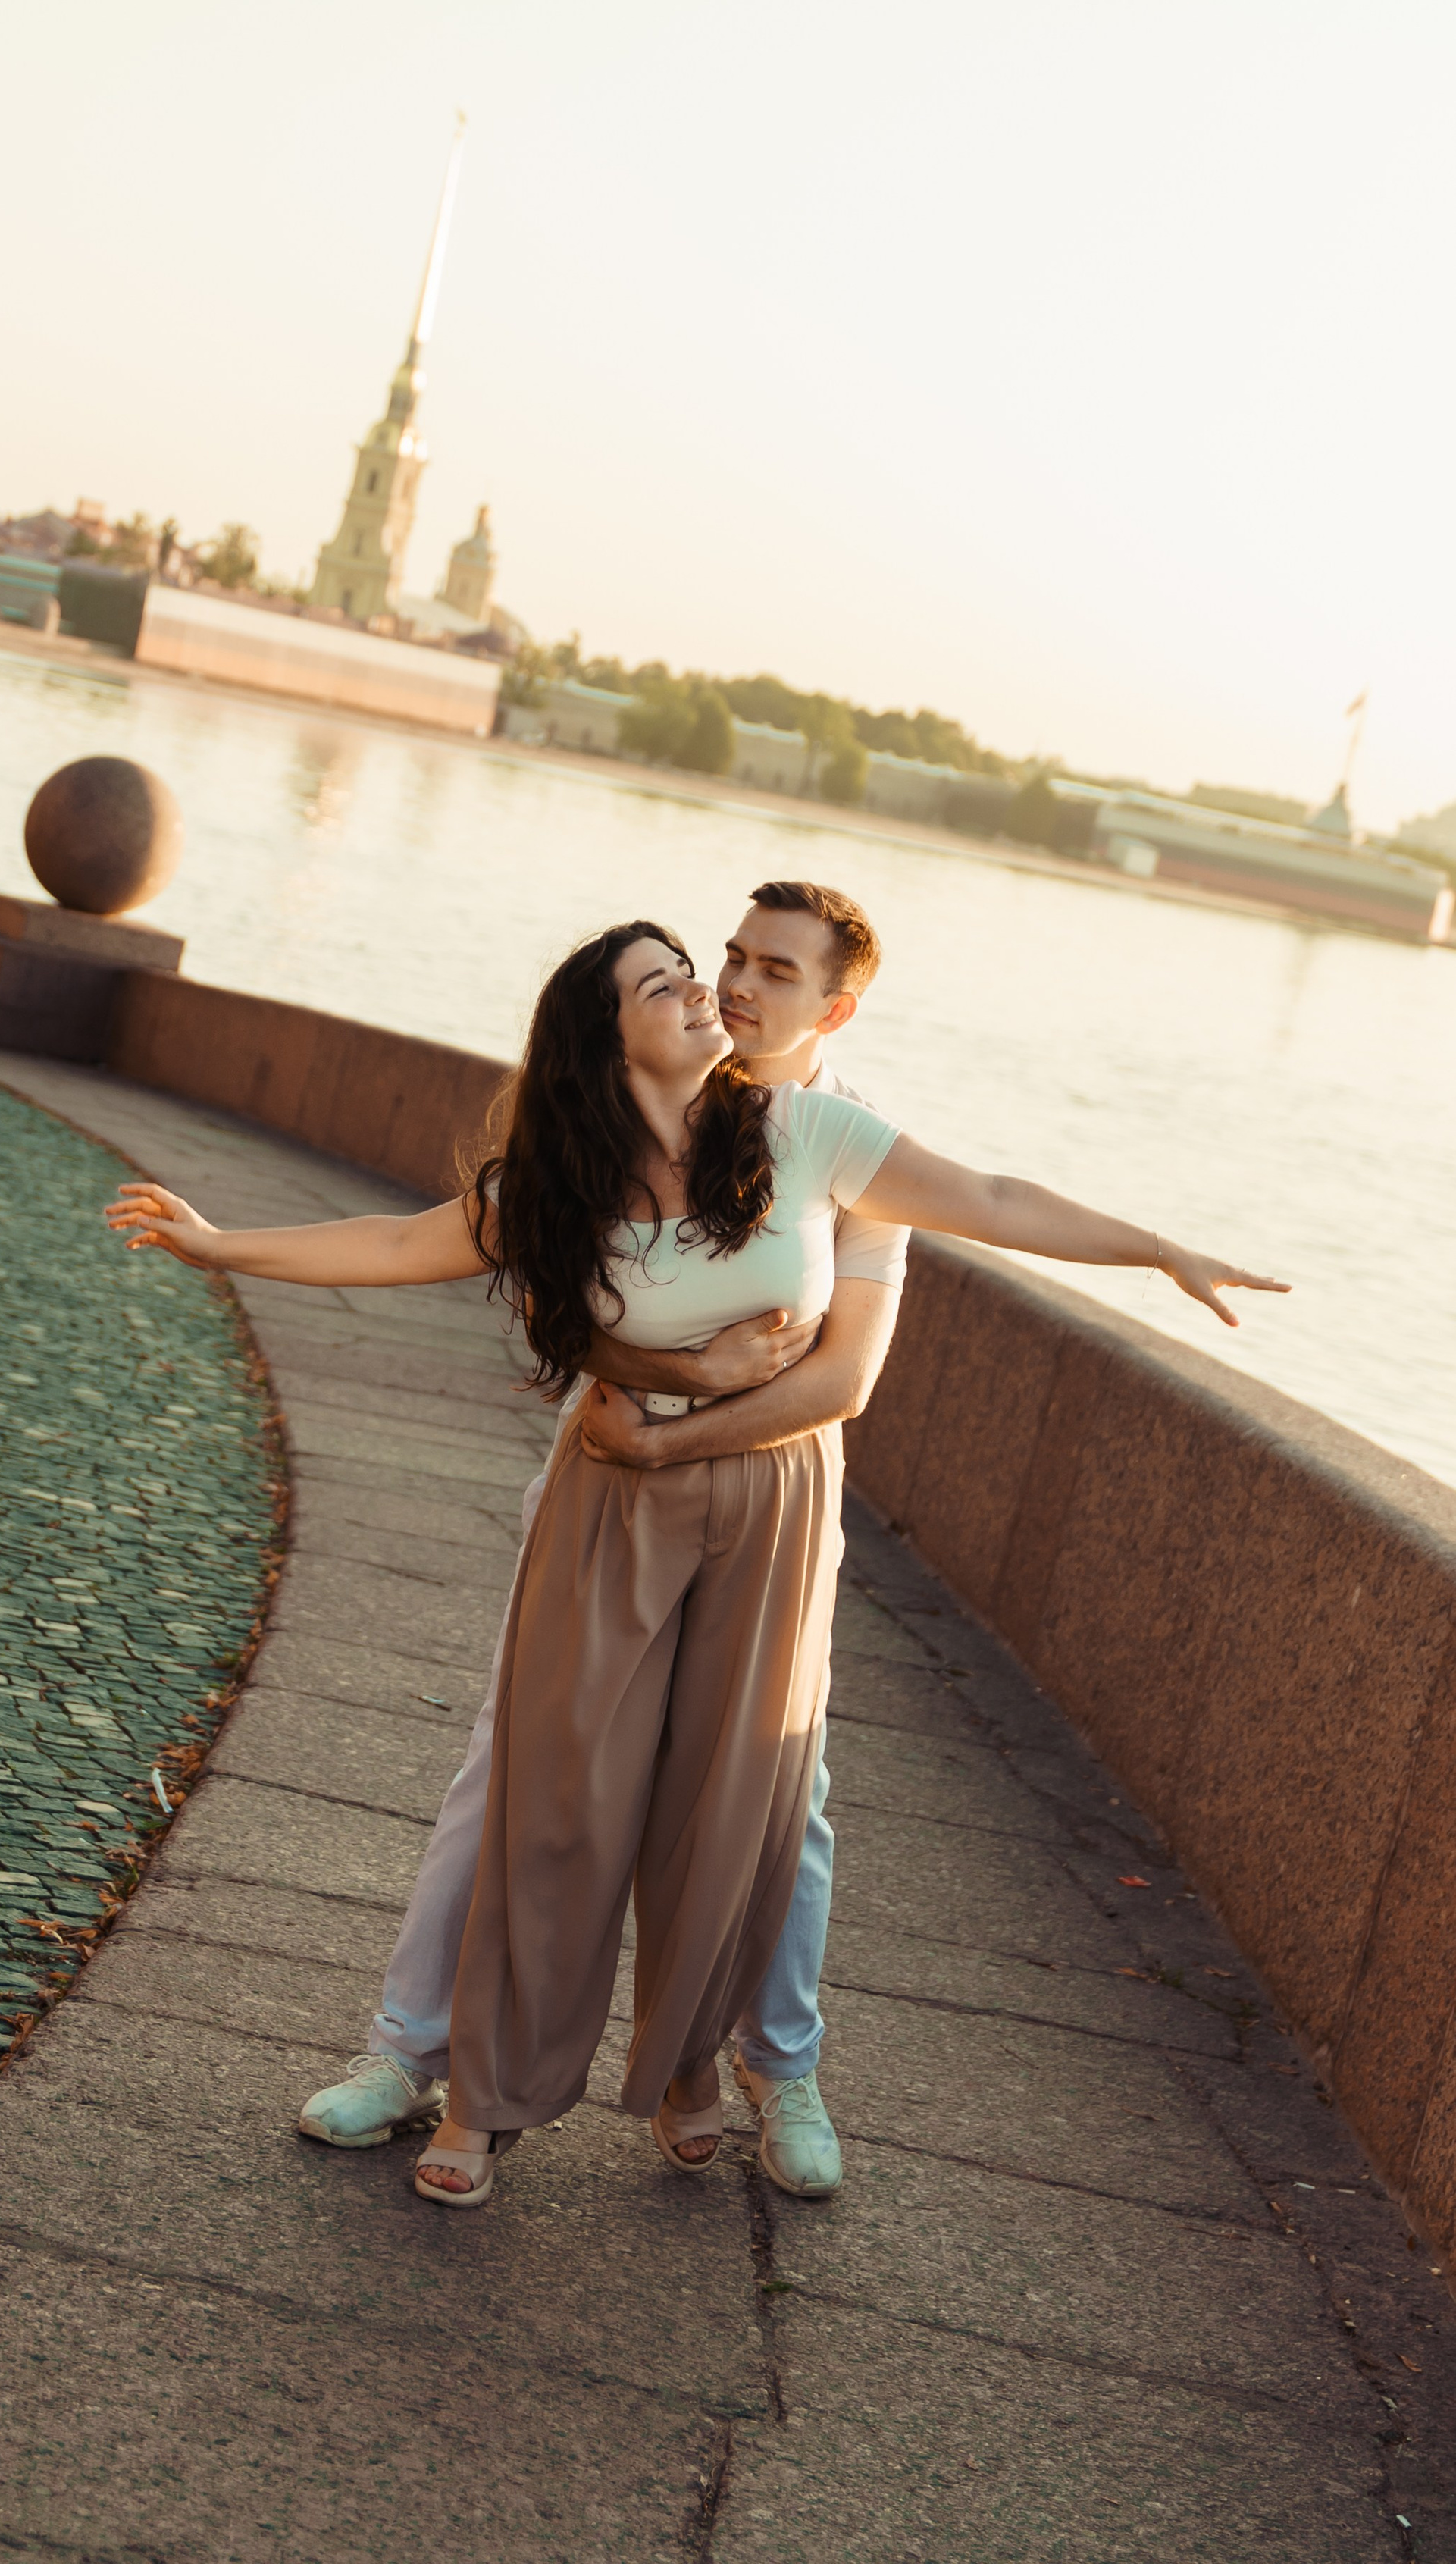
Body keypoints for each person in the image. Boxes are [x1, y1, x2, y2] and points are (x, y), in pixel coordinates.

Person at [105, 915, 1284, 2210]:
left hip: (766, 1494)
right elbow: (397, 1242)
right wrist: (222, 1245)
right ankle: (464, 2079)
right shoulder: (559, 1182)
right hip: (607, 1493)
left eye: (711, 972)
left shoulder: (810, 1135)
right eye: (671, 980)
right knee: (548, 1787)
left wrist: (1156, 1245)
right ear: (605, 1038)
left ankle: (704, 2072)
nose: (706, 989)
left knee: (742, 1802)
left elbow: (986, 1206)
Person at [299, 879, 905, 2200]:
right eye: (729, 956)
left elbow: (843, 1373)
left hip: (768, 1502)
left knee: (781, 1795)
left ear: (836, 1004)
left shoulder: (848, 1147)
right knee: (509, 1766)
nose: (738, 985)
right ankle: (411, 2052)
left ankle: (769, 2060)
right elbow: (554, 1290)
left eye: (776, 972)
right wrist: (641, 1396)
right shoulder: (643, 1109)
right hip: (606, 1478)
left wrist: (686, 1429)